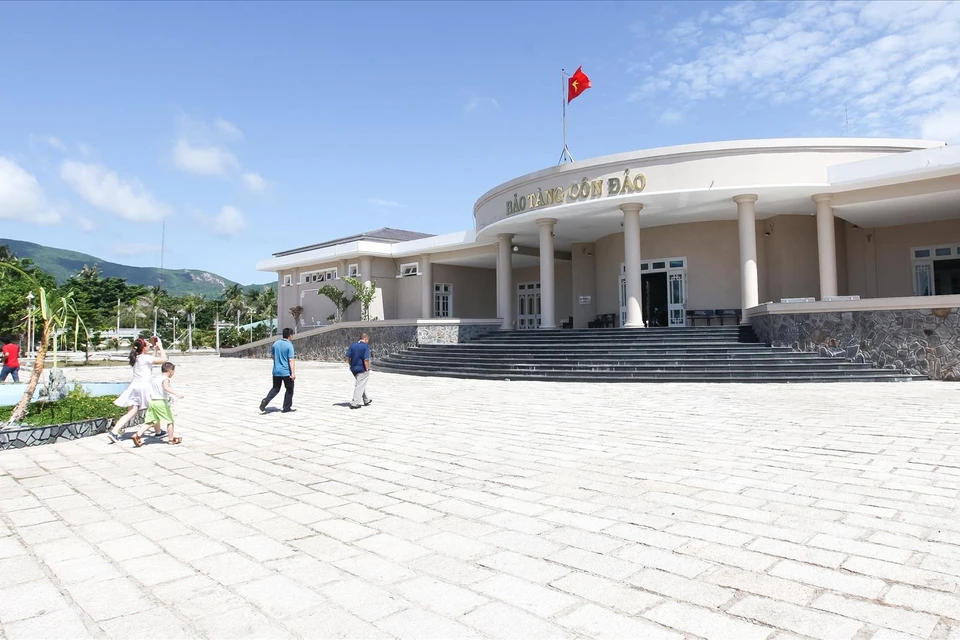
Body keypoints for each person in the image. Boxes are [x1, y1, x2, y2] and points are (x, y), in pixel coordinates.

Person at [107, 337, 167, 443]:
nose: (150, 346)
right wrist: (161, 347)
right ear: (143, 348)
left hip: (134, 386)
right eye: (148, 345)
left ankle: (114, 432)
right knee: (154, 410)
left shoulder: (136, 357)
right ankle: (156, 432)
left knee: (131, 412)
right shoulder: (145, 358)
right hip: (145, 387)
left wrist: (155, 350)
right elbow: (164, 360)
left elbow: (150, 361)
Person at [132, 362, 183, 447]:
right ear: (170, 371)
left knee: (152, 421)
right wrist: (176, 393)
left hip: (152, 402)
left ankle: (137, 435)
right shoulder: (165, 379)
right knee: (170, 421)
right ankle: (171, 439)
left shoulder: (155, 379)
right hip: (161, 402)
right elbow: (166, 387)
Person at [259, 328, 296, 413]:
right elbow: (291, 360)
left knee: (275, 388)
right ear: (290, 335)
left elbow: (273, 356)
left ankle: (266, 400)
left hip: (276, 371)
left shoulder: (276, 343)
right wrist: (293, 373)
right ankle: (286, 408)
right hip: (286, 371)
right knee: (289, 389)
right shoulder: (289, 345)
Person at [345, 333, 372, 409]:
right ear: (365, 339)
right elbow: (366, 360)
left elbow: (347, 357)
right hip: (362, 369)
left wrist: (351, 365)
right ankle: (355, 403)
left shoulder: (353, 346)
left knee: (360, 383)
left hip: (354, 368)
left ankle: (366, 400)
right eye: (367, 340)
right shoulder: (365, 347)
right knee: (359, 385)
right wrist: (367, 368)